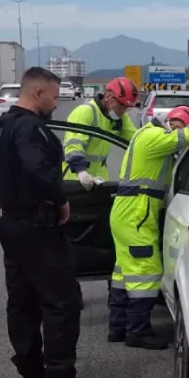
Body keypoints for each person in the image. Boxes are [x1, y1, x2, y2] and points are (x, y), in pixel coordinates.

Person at [0, 67, 103, 378]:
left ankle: (32, 376)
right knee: (61, 303)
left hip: (11, 225)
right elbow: (38, 170)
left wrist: (9, 194)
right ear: (38, 94)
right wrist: (61, 200)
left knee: (22, 302)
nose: (56, 101)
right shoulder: (31, 128)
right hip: (39, 226)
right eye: (53, 95)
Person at [107, 105, 189, 349]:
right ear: (175, 122)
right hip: (137, 213)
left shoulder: (146, 135)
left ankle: (118, 327)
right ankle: (138, 332)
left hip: (128, 211)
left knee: (124, 271)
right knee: (146, 271)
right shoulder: (154, 137)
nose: (179, 134)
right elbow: (187, 136)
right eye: (180, 126)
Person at [63, 76, 139, 310]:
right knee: (71, 241)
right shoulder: (85, 113)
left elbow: (135, 139)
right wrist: (81, 172)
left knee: (106, 237)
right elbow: (73, 145)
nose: (124, 110)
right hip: (74, 184)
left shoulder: (117, 117)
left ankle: (114, 292)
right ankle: (70, 292)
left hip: (98, 184)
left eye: (127, 107)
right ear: (108, 97)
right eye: (121, 105)